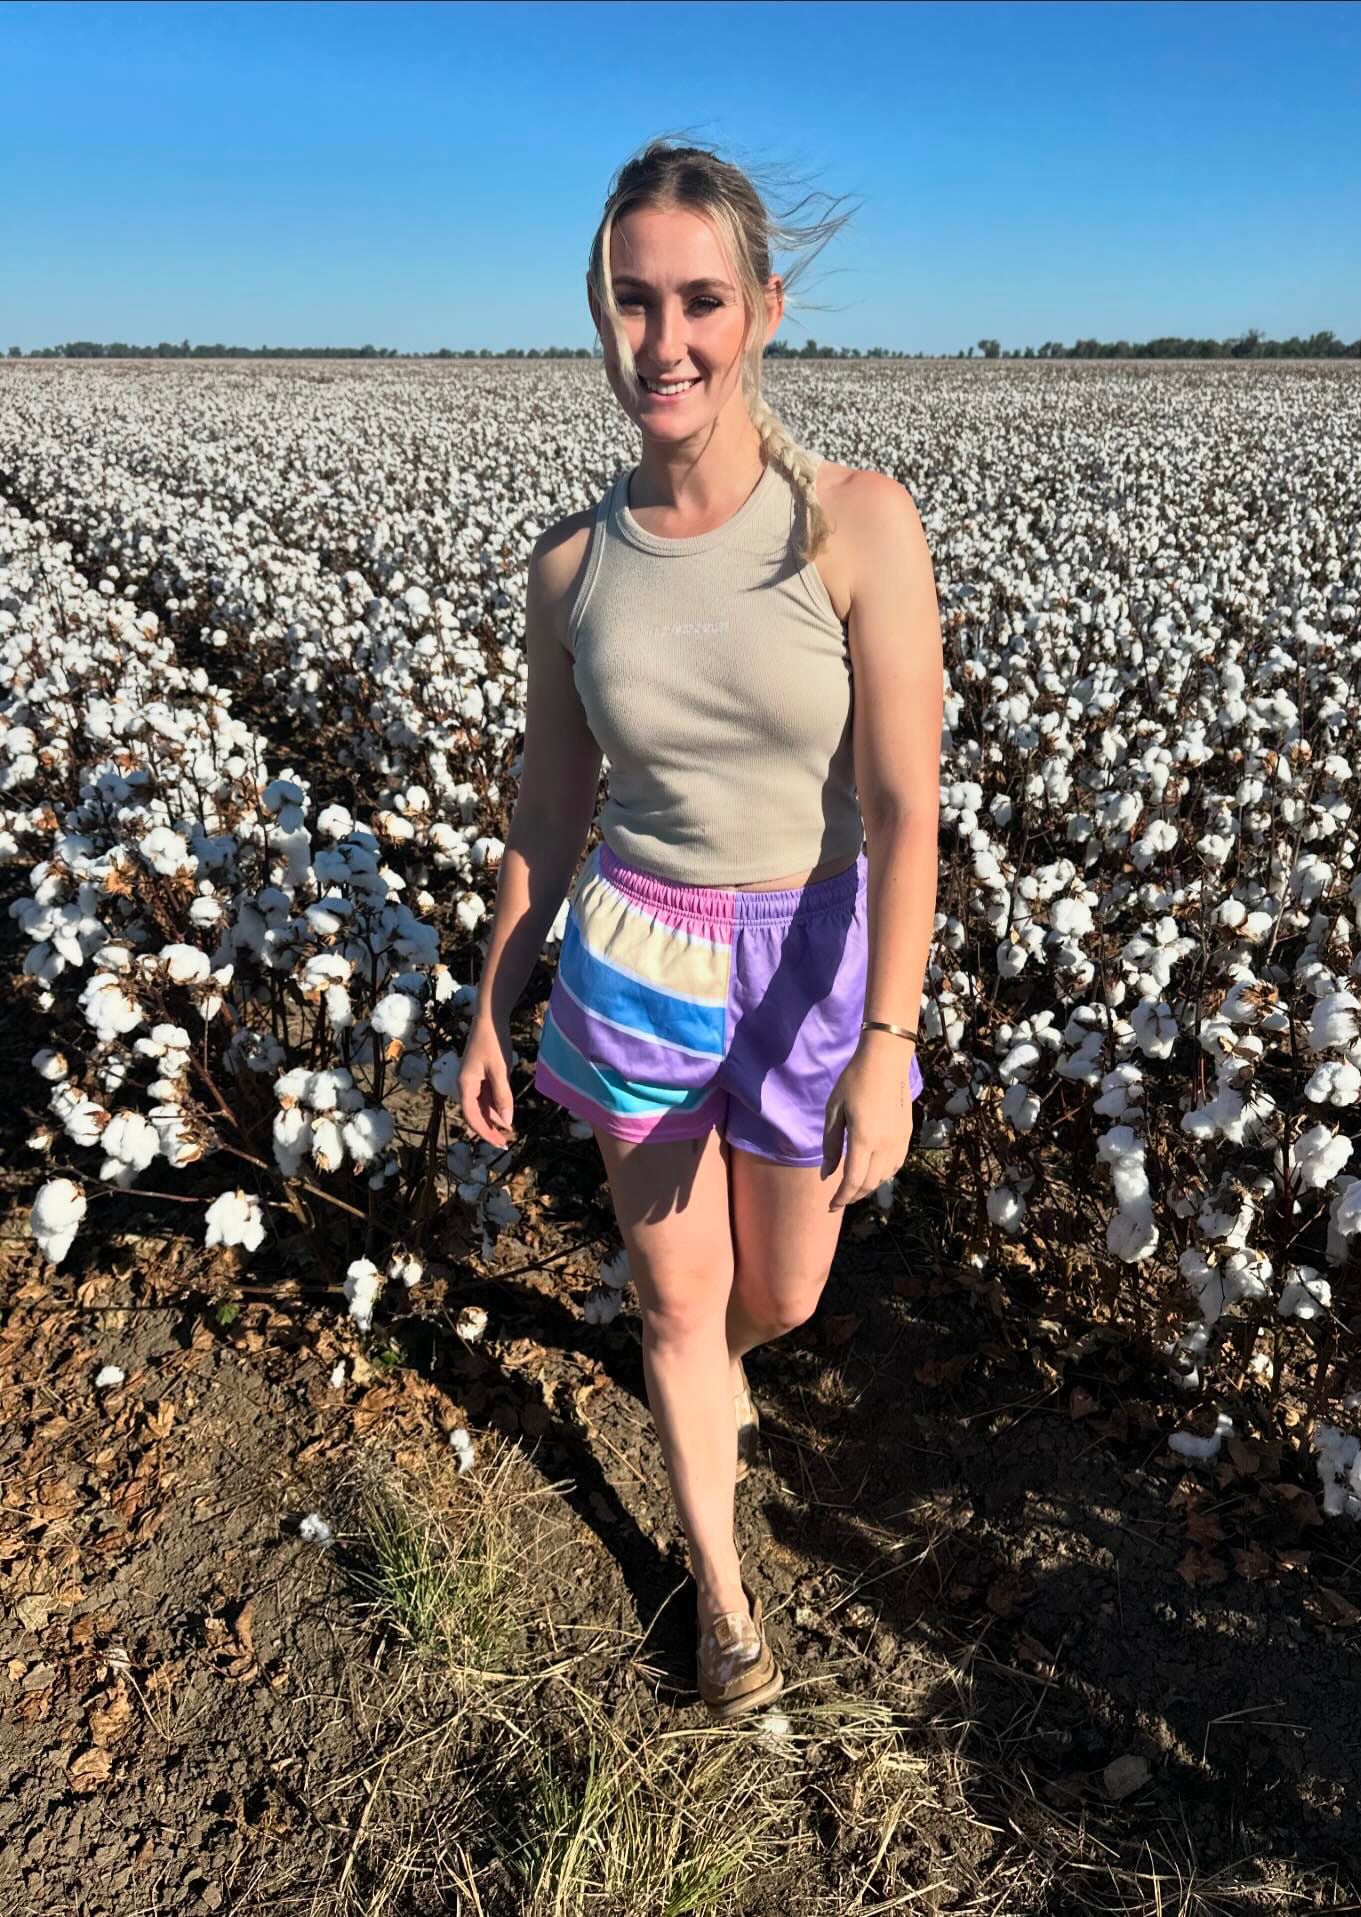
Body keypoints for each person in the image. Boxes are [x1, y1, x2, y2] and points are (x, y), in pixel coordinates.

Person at [458, 137, 942, 1719]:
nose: (662, 339)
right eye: (631, 299)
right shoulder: (573, 567)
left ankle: (702, 1370)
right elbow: (549, 807)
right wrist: (492, 997)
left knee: (777, 1294)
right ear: (598, 311)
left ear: (764, 311)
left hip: (812, 956)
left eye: (699, 301)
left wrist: (887, 1041)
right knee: (678, 1300)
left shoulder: (856, 524)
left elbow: (903, 812)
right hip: (640, 954)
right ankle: (723, 1602)